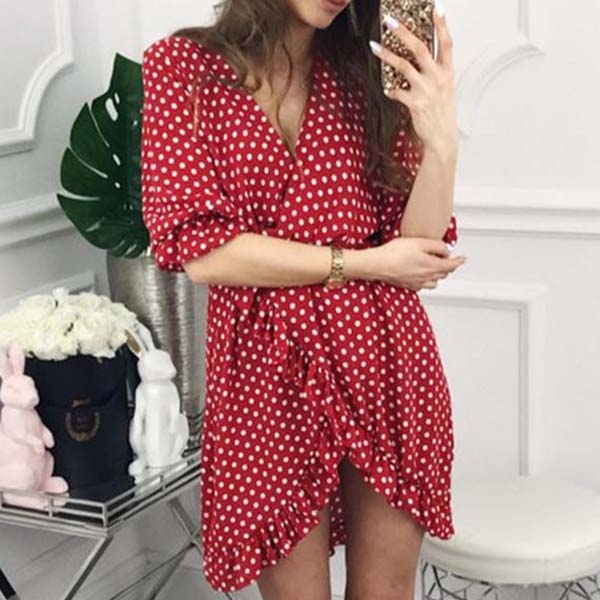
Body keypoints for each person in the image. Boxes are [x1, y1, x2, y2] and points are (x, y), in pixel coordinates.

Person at [140, 0, 467, 597]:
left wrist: (441, 138)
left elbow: (418, 248)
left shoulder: (363, 76)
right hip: (262, 377)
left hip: (385, 362)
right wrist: (364, 263)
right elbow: (205, 254)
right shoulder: (183, 69)